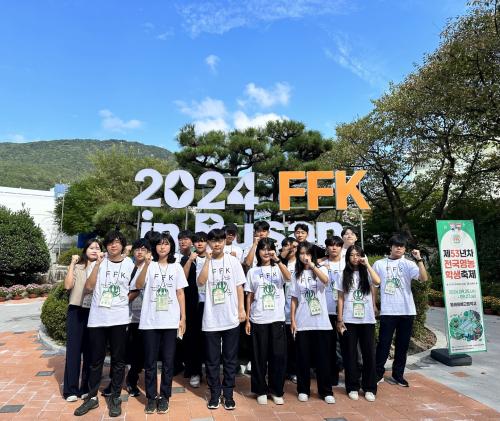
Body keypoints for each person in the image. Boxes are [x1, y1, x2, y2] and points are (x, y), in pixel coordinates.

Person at [74, 230, 135, 417]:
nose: (113, 245)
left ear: (122, 245)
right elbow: (89, 287)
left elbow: (136, 287)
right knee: (95, 360)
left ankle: (115, 397)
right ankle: (92, 397)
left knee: (118, 360)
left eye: (117, 242)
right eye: (110, 243)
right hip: (98, 318)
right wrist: (98, 264)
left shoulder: (129, 264)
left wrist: (123, 301)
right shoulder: (97, 263)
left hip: (119, 318)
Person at [135, 232, 187, 414]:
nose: (162, 247)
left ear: (171, 247)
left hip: (170, 321)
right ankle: (151, 398)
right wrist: (145, 264)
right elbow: (139, 285)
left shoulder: (176, 267)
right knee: (150, 362)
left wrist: (183, 318)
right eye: (159, 244)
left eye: (166, 244)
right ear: (154, 247)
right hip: (150, 321)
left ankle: (164, 396)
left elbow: (180, 293)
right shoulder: (149, 265)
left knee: (168, 361)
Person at [197, 228, 246, 410]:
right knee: (212, 359)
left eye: (220, 240)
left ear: (225, 241)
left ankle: (228, 394)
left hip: (231, 316)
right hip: (211, 318)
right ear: (209, 243)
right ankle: (215, 394)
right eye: (213, 240)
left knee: (230, 359)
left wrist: (241, 309)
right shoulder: (204, 261)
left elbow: (239, 287)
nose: (217, 244)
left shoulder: (233, 261)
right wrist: (207, 260)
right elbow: (200, 282)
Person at [374, 234, 428, 387]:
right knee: (383, 344)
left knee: (402, 345)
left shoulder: (409, 264)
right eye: (396, 245)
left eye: (402, 246)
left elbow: (423, 278)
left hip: (407, 311)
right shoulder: (379, 264)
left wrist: (419, 260)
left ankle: (398, 375)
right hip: (388, 311)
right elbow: (374, 285)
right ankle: (377, 374)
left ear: (405, 249)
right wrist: (373, 305)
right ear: (390, 247)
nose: (399, 248)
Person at [245, 238, 291, 405]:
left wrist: (277, 260)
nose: (266, 252)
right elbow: (249, 296)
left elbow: (288, 277)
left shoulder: (279, 268)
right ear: (258, 252)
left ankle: (276, 390)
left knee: (278, 356)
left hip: (277, 319)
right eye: (263, 249)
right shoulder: (253, 272)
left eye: (269, 249)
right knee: (259, 357)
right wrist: (248, 319)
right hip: (258, 319)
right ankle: (260, 390)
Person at [290, 242, 336, 404]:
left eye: (308, 253)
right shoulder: (296, 274)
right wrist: (293, 320)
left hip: (321, 323)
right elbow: (294, 298)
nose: (305, 256)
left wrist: (312, 266)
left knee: (323, 359)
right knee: (303, 359)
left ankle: (326, 391)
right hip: (303, 322)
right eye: (302, 253)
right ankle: (303, 389)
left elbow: (326, 281)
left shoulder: (321, 269)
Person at [335, 245, 381, 402]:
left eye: (358, 255)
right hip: (349, 320)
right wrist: (340, 319)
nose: (355, 257)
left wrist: (367, 264)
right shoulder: (343, 274)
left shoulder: (367, 272)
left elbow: (378, 281)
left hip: (367, 319)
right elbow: (340, 298)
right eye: (352, 255)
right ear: (347, 257)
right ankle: (352, 386)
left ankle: (370, 387)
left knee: (369, 354)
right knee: (350, 354)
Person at [63, 238, 103, 402]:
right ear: (85, 250)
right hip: (77, 310)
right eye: (91, 247)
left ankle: (86, 388)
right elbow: (67, 286)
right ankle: (70, 390)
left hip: (95, 311)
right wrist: (72, 264)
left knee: (90, 351)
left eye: (97, 247)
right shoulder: (78, 266)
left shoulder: (104, 267)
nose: (94, 250)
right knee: (73, 351)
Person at [181, 231, 208, 388]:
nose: (200, 243)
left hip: (210, 304)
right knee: (193, 339)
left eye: (203, 241)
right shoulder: (187, 259)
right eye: (197, 241)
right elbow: (182, 279)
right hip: (193, 304)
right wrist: (190, 260)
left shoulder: (213, 258)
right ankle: (195, 372)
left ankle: (210, 371)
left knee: (209, 339)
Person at [124, 238, 151, 397]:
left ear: (149, 253)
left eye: (143, 249)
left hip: (148, 317)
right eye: (137, 249)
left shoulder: (153, 267)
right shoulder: (129, 268)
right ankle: (131, 380)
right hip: (131, 317)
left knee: (144, 352)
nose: (140, 252)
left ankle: (137, 379)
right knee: (134, 351)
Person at [320, 236, 345, 386]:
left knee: (347, 345)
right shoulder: (320, 264)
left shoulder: (347, 263)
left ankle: (352, 375)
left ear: (341, 247)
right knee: (329, 346)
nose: (334, 248)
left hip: (345, 311)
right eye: (331, 245)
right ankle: (332, 375)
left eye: (337, 245)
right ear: (327, 248)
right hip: (326, 311)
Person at [281, 237, 299, 383]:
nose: (290, 248)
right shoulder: (280, 263)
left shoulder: (301, 263)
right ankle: (284, 370)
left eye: (292, 246)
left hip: (298, 311)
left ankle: (294, 371)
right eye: (286, 246)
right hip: (282, 311)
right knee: (284, 345)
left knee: (296, 345)